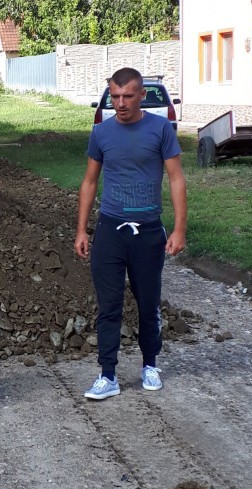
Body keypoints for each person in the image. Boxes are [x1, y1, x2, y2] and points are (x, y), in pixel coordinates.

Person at [74, 67, 187, 400]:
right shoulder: (101, 133)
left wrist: (179, 229)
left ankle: (150, 364)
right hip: (110, 230)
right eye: (115, 96)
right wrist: (81, 229)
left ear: (141, 96)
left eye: (127, 96)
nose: (120, 103)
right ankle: (107, 375)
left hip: (148, 232)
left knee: (148, 303)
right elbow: (89, 182)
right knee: (109, 306)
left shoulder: (160, 129)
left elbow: (176, 178)